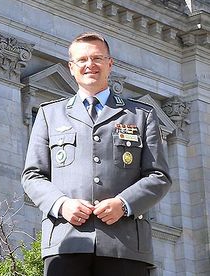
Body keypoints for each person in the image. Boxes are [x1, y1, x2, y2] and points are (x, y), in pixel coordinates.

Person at [22, 32, 172, 275]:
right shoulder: (50, 114)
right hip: (66, 241)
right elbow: (32, 176)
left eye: (97, 58)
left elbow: (159, 176)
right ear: (71, 67)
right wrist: (62, 205)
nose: (89, 65)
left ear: (109, 64)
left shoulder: (141, 116)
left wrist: (123, 204)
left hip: (125, 244)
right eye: (82, 60)